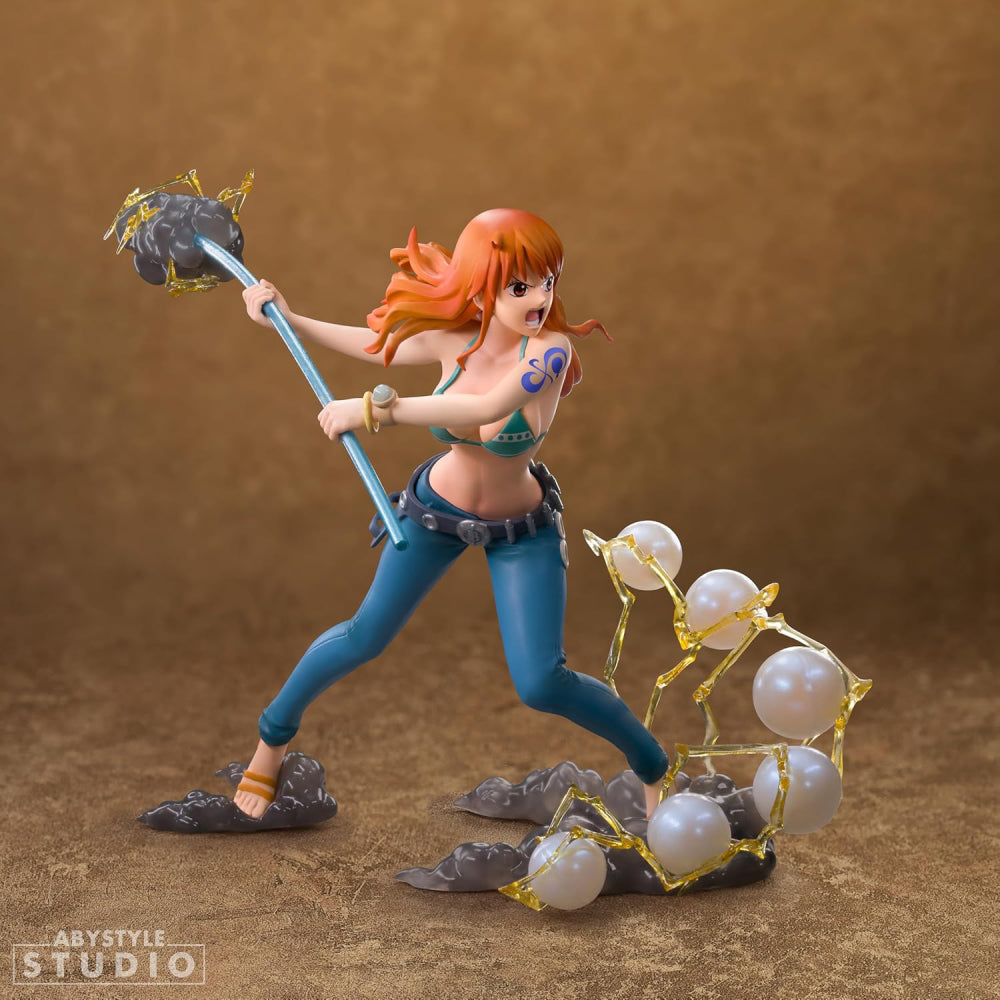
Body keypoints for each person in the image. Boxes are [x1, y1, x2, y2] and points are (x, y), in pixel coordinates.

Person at [233, 209, 669, 820]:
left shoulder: (549, 351)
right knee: (363, 637)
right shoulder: (456, 337)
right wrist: (288, 316)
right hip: (433, 512)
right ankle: (270, 742)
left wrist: (375, 412)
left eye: (547, 282)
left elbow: (486, 406)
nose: (540, 299)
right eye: (519, 286)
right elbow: (376, 346)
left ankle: (654, 768)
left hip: (522, 532)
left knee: (542, 683)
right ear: (482, 286)